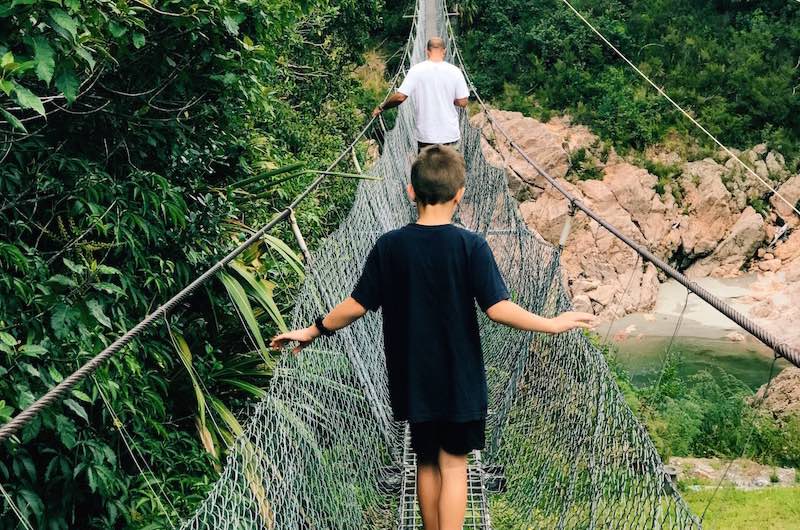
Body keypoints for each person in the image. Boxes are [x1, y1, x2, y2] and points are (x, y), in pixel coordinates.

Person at [270, 145, 596, 530]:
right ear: (460, 194)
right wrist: (552, 323)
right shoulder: (471, 246)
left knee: (425, 461)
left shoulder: (389, 246)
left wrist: (313, 329)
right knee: (455, 465)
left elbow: (357, 304)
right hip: (460, 380)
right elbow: (498, 308)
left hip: (413, 378)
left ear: (411, 192)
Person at [372, 37, 469, 152]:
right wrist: (448, 98)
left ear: (427, 51)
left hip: (426, 136)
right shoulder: (455, 71)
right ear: (445, 51)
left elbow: (400, 97)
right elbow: (463, 102)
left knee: (424, 170)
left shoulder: (416, 70)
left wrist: (381, 107)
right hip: (450, 135)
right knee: (452, 169)